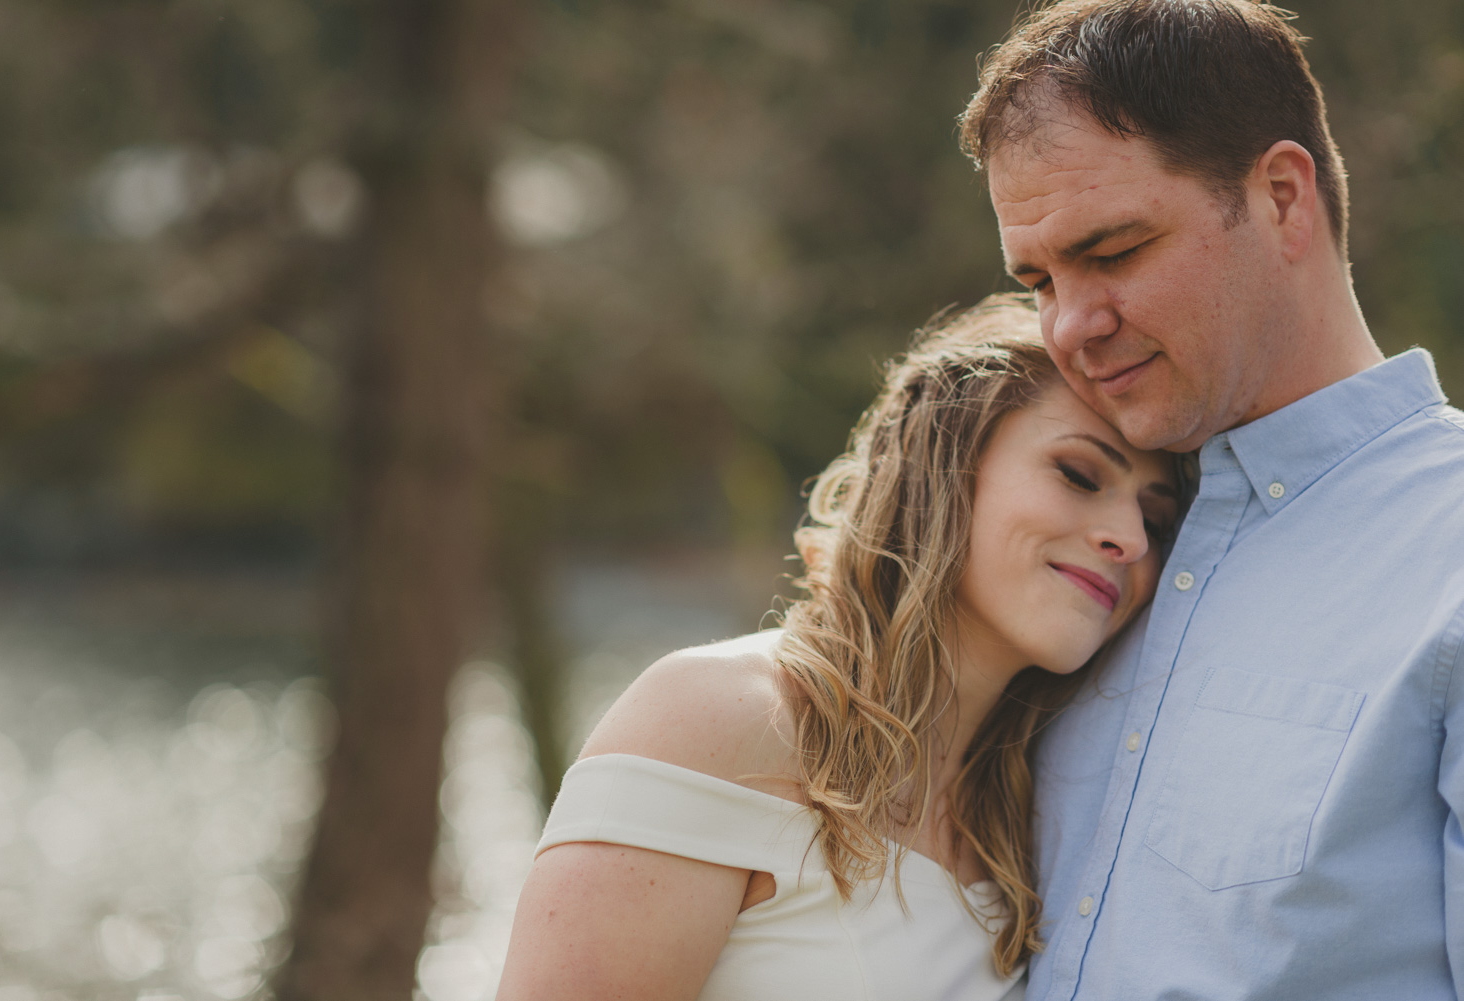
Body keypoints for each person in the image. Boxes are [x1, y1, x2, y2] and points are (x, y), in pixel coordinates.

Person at [957, 2, 1464, 999]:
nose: (1071, 326)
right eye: (1039, 280)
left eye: (1111, 251)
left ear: (1280, 198)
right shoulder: (1084, 546)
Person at [495, 296, 1180, 1001]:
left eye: (1155, 520)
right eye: (1079, 474)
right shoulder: (721, 718)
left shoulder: (1032, 815)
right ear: (944, 464)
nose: (1128, 539)